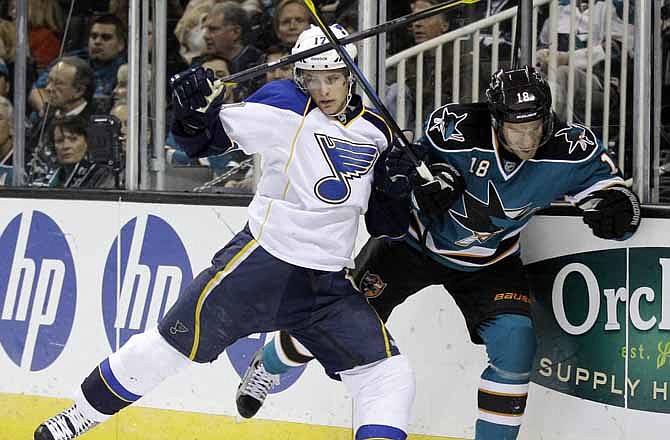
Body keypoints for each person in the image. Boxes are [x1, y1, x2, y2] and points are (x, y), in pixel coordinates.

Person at [33, 24, 417, 440]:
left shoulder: (377, 129)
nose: (322, 90)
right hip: (262, 265)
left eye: (332, 78)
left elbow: (384, 225)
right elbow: (203, 142)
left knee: (387, 372)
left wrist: (396, 189)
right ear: (298, 76)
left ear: (350, 76)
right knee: (170, 346)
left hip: (327, 282)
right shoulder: (284, 103)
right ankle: (79, 416)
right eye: (311, 78)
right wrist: (190, 112)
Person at [234, 65, 642, 440]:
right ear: (496, 120)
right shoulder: (456, 128)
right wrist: (426, 181)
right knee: (332, 321)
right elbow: (405, 168)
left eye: (535, 126)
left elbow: (608, 188)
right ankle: (267, 367)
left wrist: (619, 206)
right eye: (517, 129)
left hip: (491, 261)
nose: (528, 139)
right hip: (411, 246)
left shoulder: (573, 147)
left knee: (516, 347)